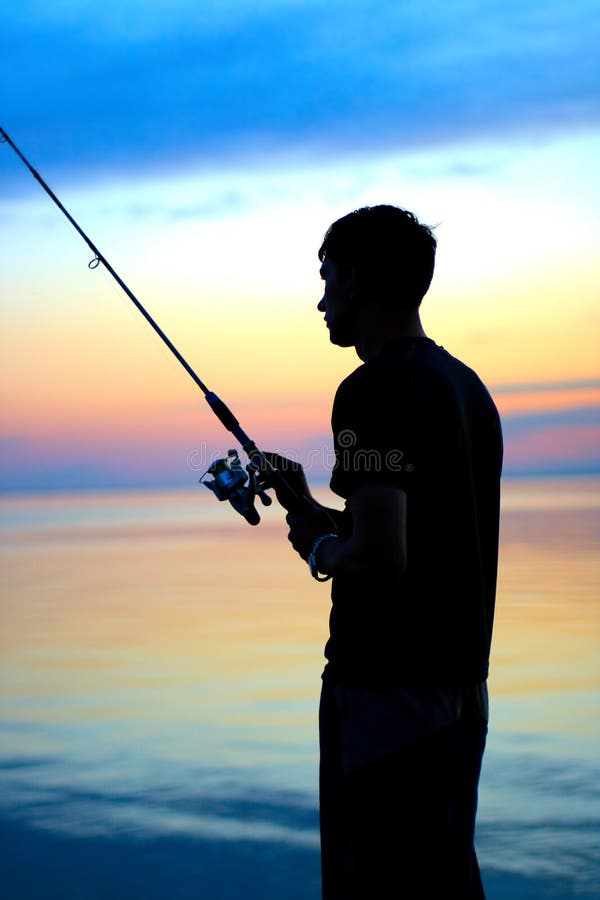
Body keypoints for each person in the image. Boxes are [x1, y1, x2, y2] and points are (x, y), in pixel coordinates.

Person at [268, 204, 502, 898]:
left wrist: (317, 546)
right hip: (461, 693)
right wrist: (314, 511)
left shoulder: (370, 392)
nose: (321, 300)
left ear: (358, 279)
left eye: (328, 278)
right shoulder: (466, 389)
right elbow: (411, 531)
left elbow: (379, 560)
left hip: (384, 698)